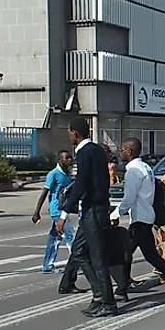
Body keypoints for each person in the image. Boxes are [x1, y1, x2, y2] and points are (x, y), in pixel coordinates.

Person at [111, 138, 165, 297]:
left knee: (130, 254)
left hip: (140, 220)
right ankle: (123, 288)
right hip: (145, 217)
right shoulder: (145, 167)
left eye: (122, 149)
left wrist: (113, 214)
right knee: (137, 254)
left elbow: (129, 199)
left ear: (130, 151)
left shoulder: (134, 170)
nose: (120, 152)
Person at [56, 117, 116, 317]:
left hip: (93, 210)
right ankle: (99, 294)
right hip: (93, 209)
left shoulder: (84, 152)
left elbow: (80, 184)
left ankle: (108, 303)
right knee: (79, 251)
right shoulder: (97, 150)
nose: (68, 135)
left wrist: (64, 214)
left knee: (97, 258)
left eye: (69, 132)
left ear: (75, 133)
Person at [33, 150, 76, 273]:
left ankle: (47, 265)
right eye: (66, 158)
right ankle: (78, 264)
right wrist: (37, 212)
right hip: (57, 210)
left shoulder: (68, 174)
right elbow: (44, 193)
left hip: (64, 210)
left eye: (70, 158)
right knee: (70, 237)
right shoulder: (53, 174)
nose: (69, 160)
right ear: (60, 160)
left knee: (54, 238)